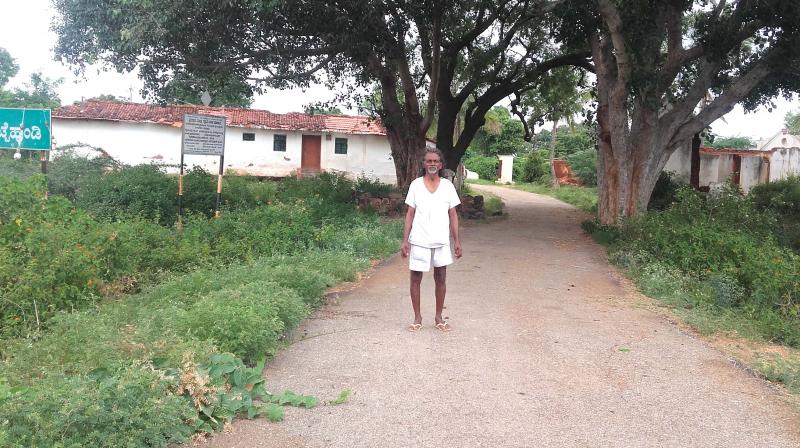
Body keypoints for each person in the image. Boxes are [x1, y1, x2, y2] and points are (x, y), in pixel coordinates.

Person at [400, 148, 462, 332]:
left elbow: (453, 215)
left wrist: (457, 241)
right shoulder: (416, 185)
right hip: (419, 240)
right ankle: (417, 318)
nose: (433, 164)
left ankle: (438, 317)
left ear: (441, 165)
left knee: (441, 277)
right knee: (415, 278)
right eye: (429, 161)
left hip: (441, 241)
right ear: (424, 164)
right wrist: (405, 240)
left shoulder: (448, 187)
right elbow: (410, 214)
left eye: (436, 161)